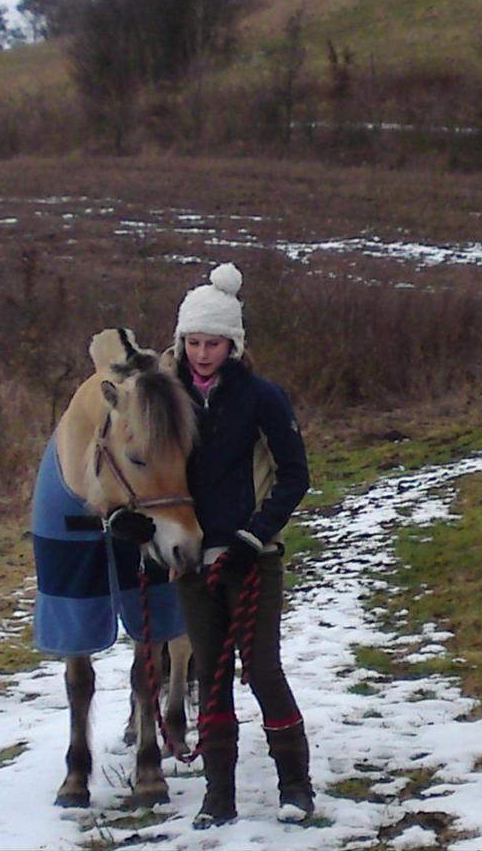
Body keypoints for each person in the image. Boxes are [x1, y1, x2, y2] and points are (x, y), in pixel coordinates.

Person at [165, 263, 314, 828]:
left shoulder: (262, 397)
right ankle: (217, 796)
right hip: (188, 560)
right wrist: (134, 523)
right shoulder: (164, 396)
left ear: (234, 343)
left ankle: (295, 785)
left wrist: (255, 537)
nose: (203, 353)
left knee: (263, 670)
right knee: (210, 671)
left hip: (252, 556)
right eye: (194, 342)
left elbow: (294, 474)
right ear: (181, 342)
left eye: (215, 343)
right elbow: (147, 471)